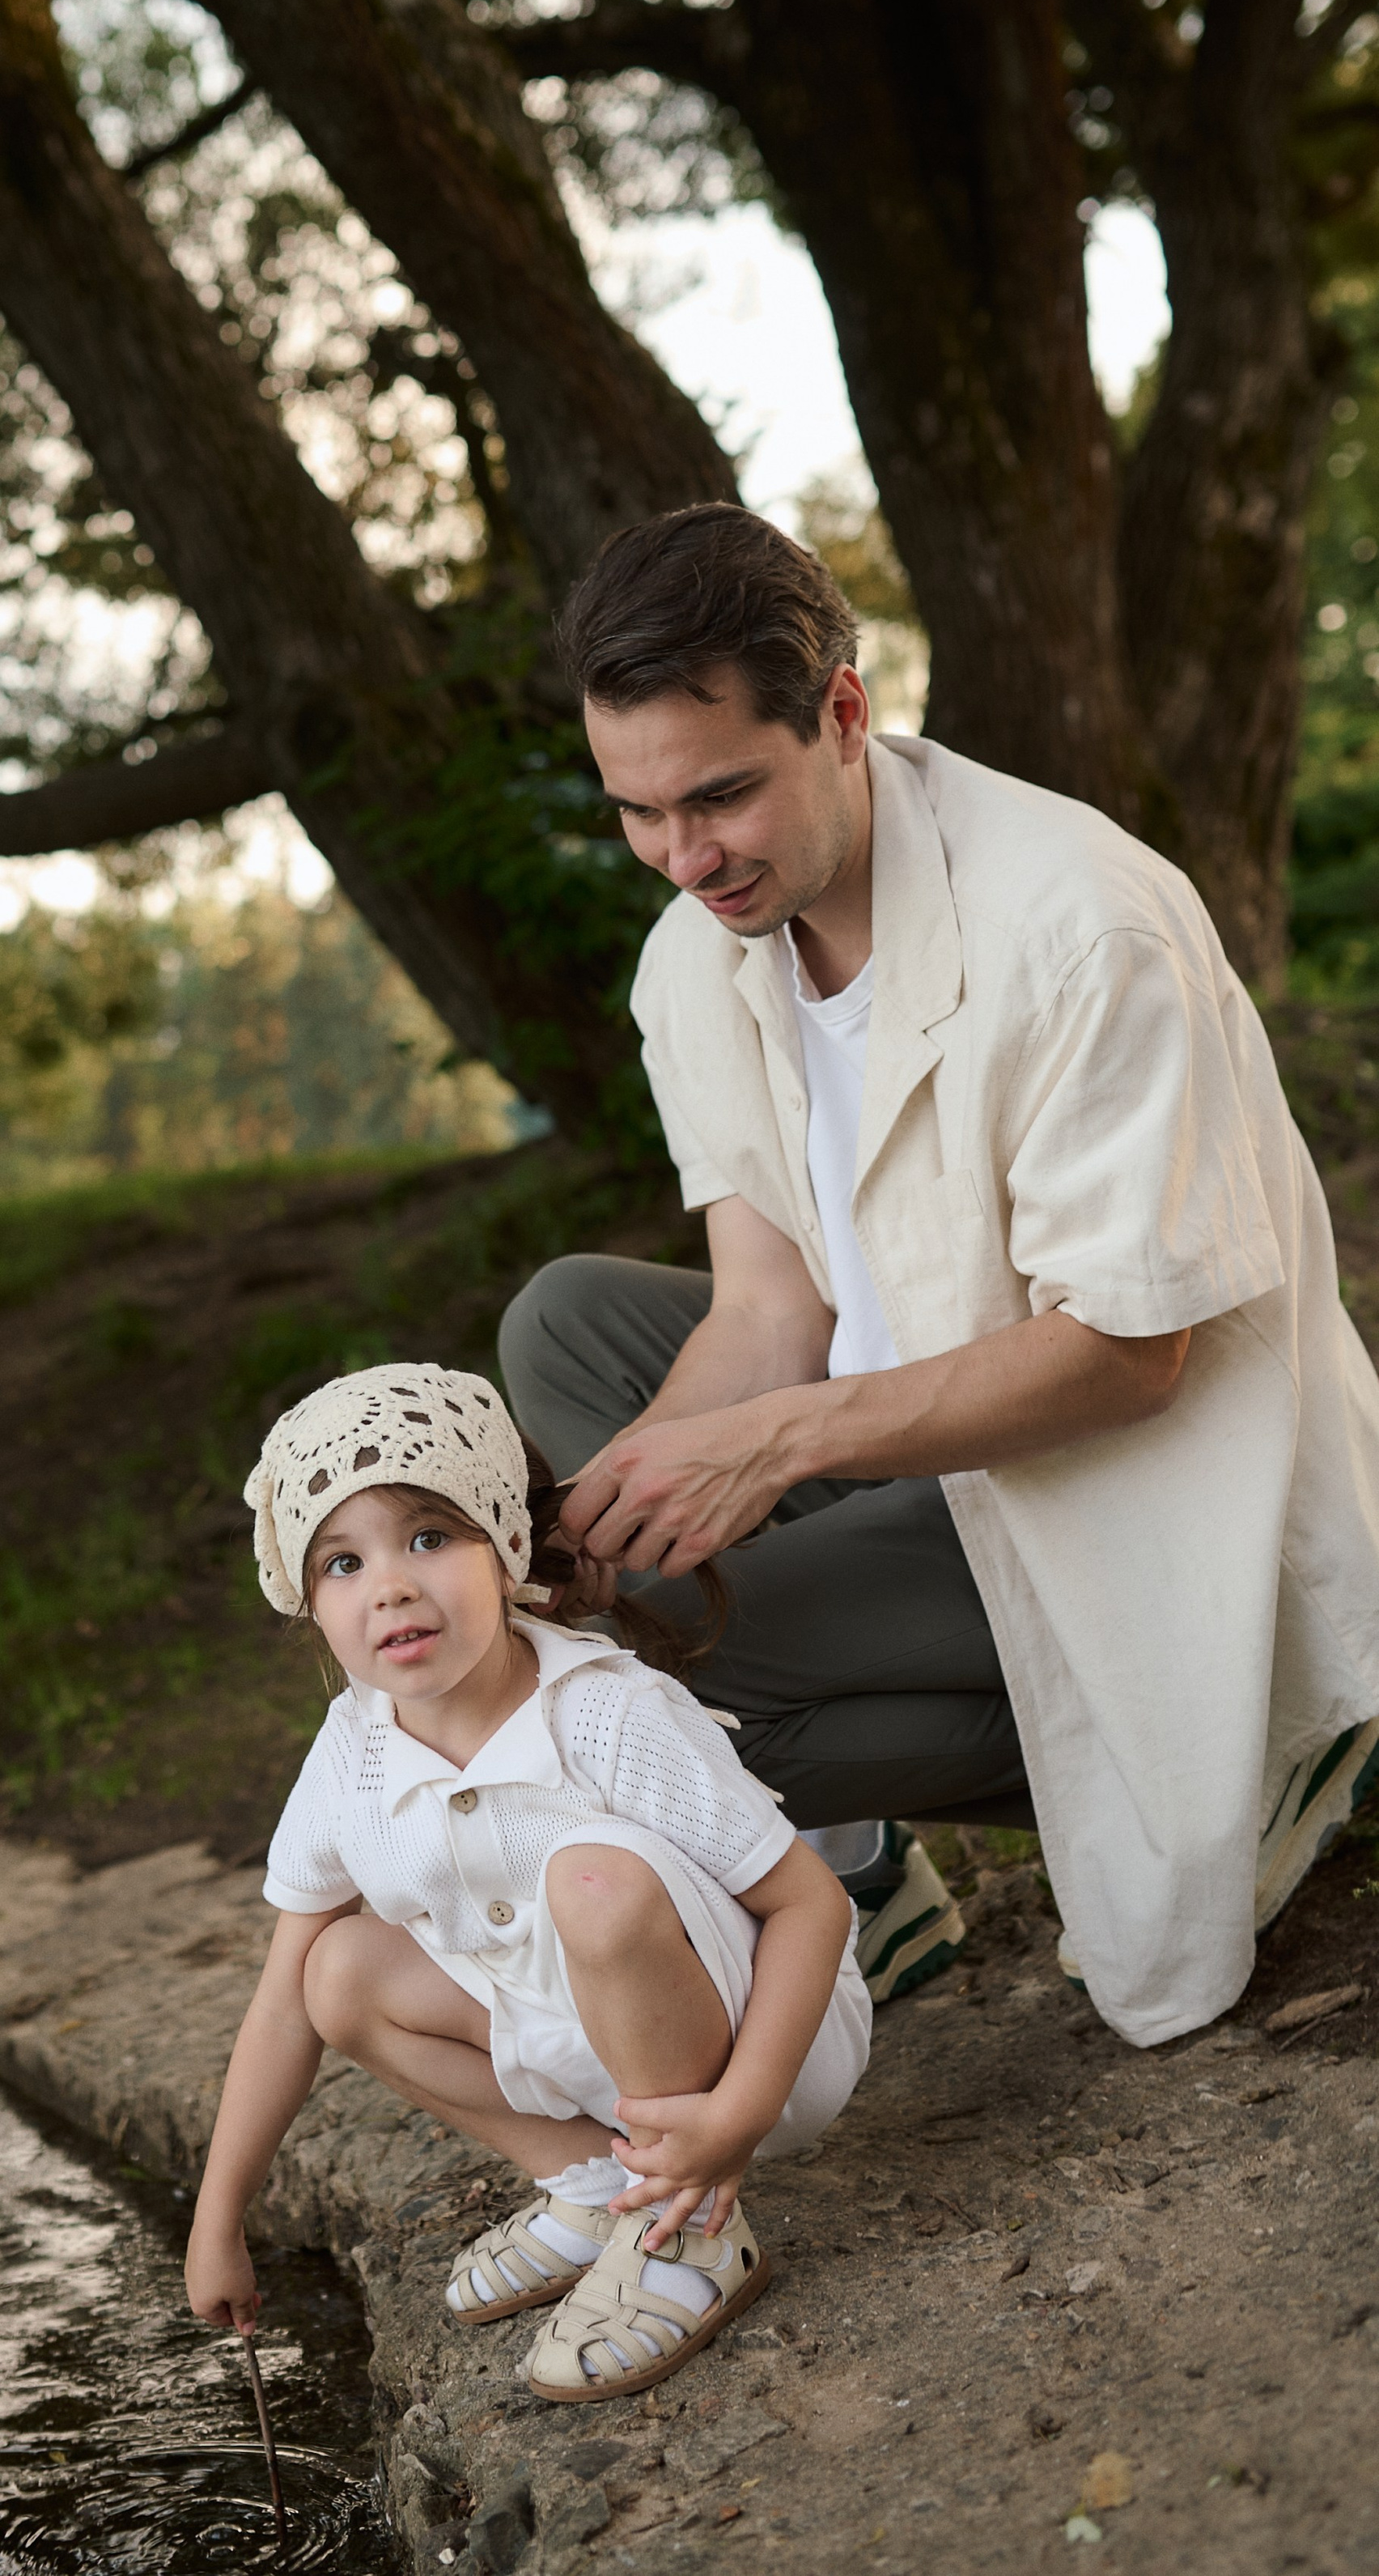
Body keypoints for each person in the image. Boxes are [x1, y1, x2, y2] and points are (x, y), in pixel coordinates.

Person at [502, 504, 1379, 2049]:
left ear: (843, 711)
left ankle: (1262, 1735)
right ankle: (866, 1876)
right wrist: (599, 1525)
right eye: (638, 809)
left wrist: (765, 1456)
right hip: (917, 1449)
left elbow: (1126, 1358)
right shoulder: (700, 945)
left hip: (1126, 1475)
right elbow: (771, 1309)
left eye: (719, 796)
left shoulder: (1078, 925)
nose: (682, 855)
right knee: (566, 1342)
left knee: (672, 1681)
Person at [183, 1361, 869, 2403]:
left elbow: (807, 1903)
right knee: (333, 1970)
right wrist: (217, 2213)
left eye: (428, 1536)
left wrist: (743, 2107)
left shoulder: (605, 1712)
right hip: (581, 2050)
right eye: (340, 1561)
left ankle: (688, 2234)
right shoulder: (350, 1755)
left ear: (505, 1546)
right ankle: (594, 2185)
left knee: (589, 1877)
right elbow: (283, 2007)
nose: (391, 1585)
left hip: (761, 2045)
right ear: (307, 1604)